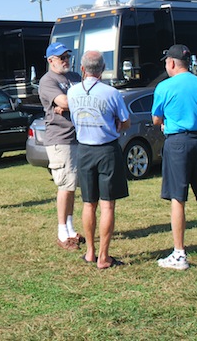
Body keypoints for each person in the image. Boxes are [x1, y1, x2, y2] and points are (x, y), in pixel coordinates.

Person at [151, 44, 197, 270]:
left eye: (166, 63)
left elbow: (156, 118)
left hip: (178, 143)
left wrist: (166, 123)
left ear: (172, 63)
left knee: (177, 198)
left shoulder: (164, 87)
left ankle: (179, 254)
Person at [67, 51, 130, 269]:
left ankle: (90, 252)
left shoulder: (72, 92)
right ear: (102, 70)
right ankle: (104, 256)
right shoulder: (112, 93)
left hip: (84, 149)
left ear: (82, 69)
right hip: (107, 150)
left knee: (88, 203)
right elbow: (125, 121)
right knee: (107, 205)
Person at [38, 42, 84, 251]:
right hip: (60, 138)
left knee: (72, 185)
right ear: (51, 61)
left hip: (78, 137)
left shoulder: (74, 77)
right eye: (61, 57)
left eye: (67, 56)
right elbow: (64, 101)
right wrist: (66, 104)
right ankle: (61, 231)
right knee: (65, 185)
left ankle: (71, 227)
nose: (66, 61)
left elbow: (72, 101)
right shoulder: (47, 81)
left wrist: (68, 103)